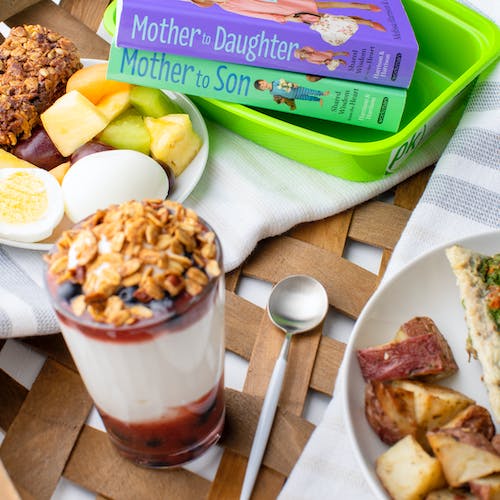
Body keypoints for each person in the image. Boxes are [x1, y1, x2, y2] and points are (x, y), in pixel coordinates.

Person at [188, 1, 383, 24]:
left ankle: (360, 7)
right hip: (279, 10)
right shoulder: (226, 6)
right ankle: (363, 22)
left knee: (320, 4)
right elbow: (253, 14)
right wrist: (279, 17)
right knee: (322, 19)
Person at [254, 78, 330, 107]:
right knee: (307, 98)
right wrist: (280, 100)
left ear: (264, 81)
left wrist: (293, 84)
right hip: (293, 96)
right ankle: (318, 99)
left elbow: (285, 83)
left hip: (295, 89)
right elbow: (280, 97)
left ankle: (322, 93)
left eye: (263, 83)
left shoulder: (275, 82)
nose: (264, 85)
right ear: (263, 90)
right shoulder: (271, 93)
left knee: (309, 91)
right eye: (262, 87)